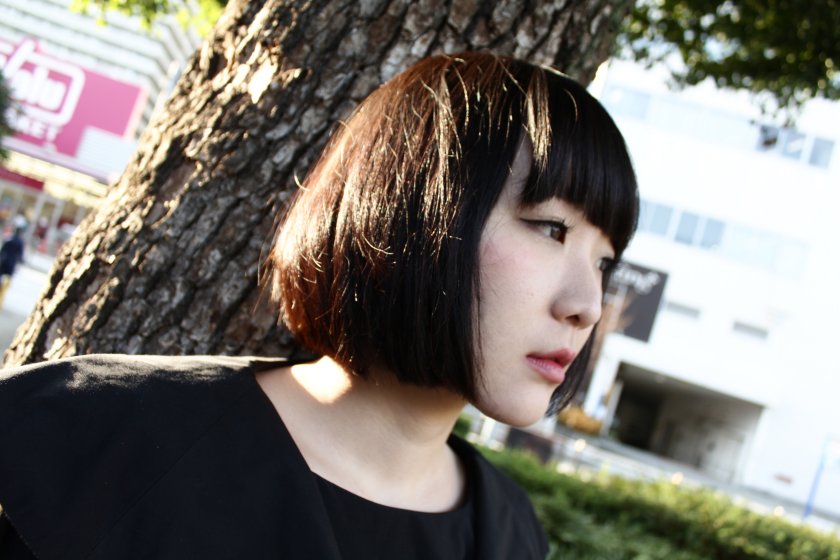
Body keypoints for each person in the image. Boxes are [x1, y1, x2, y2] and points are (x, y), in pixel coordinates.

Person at [0, 52, 638, 559]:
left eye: (604, 263)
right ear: (413, 212)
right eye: (552, 229)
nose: (587, 306)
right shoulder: (90, 433)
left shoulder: (510, 535)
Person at [0, 227, 25, 308]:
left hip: (3, 262)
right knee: (7, 282)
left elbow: (2, 251)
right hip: (11, 264)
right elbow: (21, 256)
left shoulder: (8, 239)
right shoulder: (20, 242)